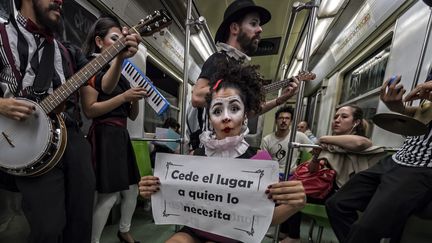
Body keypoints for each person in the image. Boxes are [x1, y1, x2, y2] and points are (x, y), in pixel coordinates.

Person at [139, 63, 306, 243]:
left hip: (236, 237)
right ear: (210, 119)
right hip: (196, 231)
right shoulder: (195, 157)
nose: (226, 117)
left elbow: (268, 218)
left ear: (245, 114)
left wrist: (295, 203)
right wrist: (153, 189)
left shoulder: (261, 161)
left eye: (234, 108)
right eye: (218, 110)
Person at [0, 0, 96, 242]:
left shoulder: (64, 49)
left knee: (81, 223)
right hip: (27, 139)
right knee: (48, 230)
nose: (60, 1)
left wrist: (117, 56)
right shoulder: (2, 36)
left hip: (71, 136)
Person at [325, 75, 432, 243]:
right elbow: (420, 114)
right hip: (396, 160)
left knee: (365, 229)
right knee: (337, 204)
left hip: (421, 168)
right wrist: (396, 105)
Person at [187, 0, 301, 152]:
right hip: (209, 149)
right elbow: (197, 97)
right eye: (253, 23)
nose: (260, 29)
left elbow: (248, 111)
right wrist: (238, 89)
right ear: (235, 28)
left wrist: (279, 100)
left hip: (228, 147)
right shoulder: (219, 59)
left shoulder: (237, 66)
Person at [80, 16, 144, 243]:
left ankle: (123, 229)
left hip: (121, 135)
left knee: (132, 190)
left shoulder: (119, 73)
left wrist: (134, 98)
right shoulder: (90, 66)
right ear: (99, 41)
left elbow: (132, 115)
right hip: (105, 134)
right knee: (108, 196)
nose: (119, 44)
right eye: (114, 39)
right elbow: (91, 110)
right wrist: (124, 96)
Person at [278, 105, 374, 243]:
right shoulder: (329, 145)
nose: (337, 120)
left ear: (356, 122)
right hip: (325, 188)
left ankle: (292, 237)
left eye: (344, 117)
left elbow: (360, 143)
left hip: (345, 190)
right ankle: (288, 233)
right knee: (289, 192)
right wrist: (316, 157)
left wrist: (323, 138)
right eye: (335, 117)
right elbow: (312, 170)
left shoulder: (358, 141)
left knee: (296, 193)